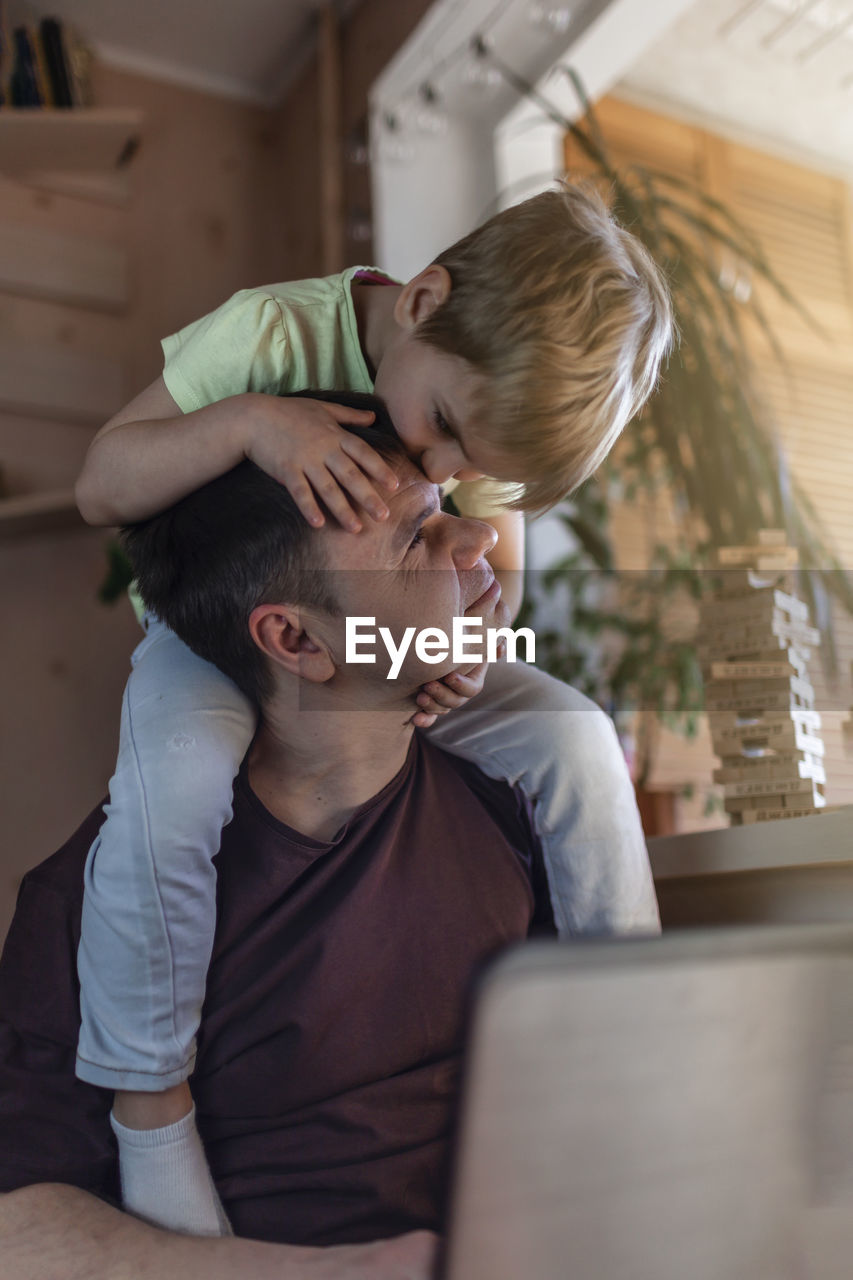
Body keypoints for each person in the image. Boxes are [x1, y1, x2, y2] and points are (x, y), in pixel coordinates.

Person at [73, 184, 672, 1234]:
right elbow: (102, 485)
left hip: (390, 632)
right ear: (422, 298)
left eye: (471, 472)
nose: (442, 476)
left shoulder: (475, 418)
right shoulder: (266, 333)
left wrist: (470, 645)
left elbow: (497, 571)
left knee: (574, 735)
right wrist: (251, 424)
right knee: (166, 794)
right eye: (440, 432)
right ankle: (149, 1110)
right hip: (213, 640)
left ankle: (626, 1037)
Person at [0, 409, 557, 1278]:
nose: (478, 532)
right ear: (296, 638)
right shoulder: (101, 902)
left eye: (444, 502)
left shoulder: (513, 817)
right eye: (417, 538)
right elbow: (17, 1227)